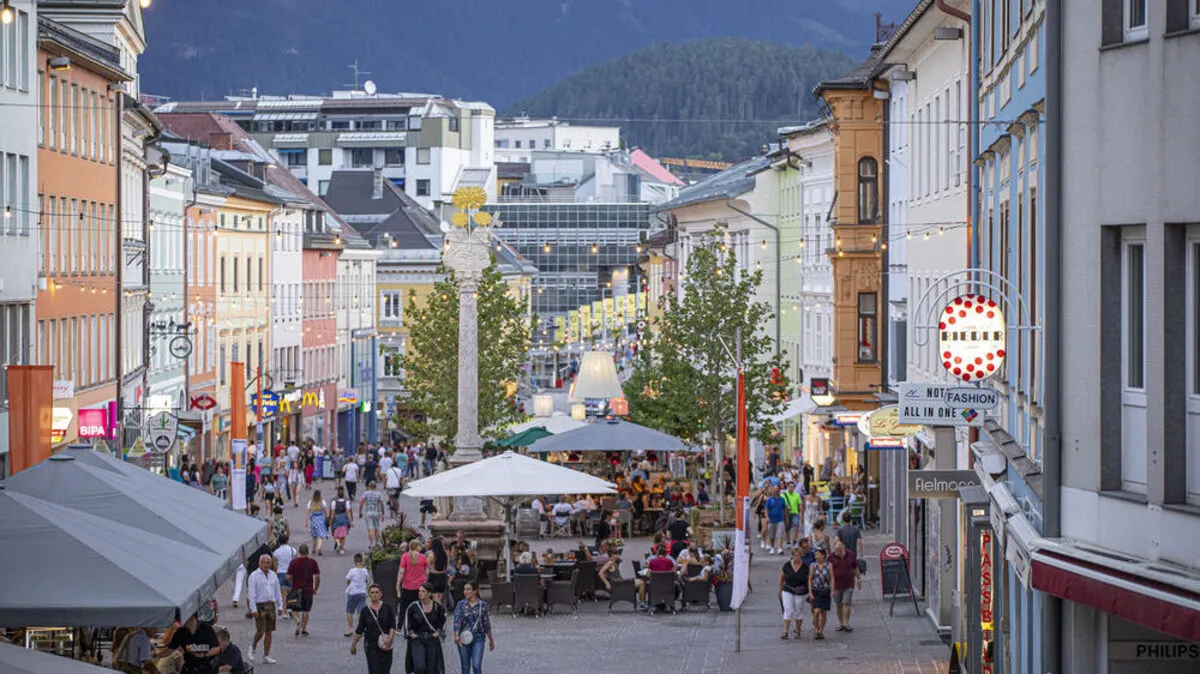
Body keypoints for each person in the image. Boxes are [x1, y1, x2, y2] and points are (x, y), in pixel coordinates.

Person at [351, 584, 397, 674]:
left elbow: (392, 625)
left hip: (386, 644)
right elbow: (359, 629)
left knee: (385, 671)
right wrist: (353, 645)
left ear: (380, 594)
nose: (375, 594)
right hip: (371, 645)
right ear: (369, 595)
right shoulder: (365, 610)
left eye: (377, 592)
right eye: (372, 593)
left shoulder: (388, 607)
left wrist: (390, 639)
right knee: (374, 670)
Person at [246, 553, 283, 664]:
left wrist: (280, 605)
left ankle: (266, 655)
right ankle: (253, 646)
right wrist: (253, 609)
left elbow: (277, 591)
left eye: (268, 563)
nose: (267, 565)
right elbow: (251, 593)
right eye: (264, 562)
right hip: (259, 605)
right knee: (261, 631)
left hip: (270, 605)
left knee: (269, 631)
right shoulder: (254, 576)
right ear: (260, 563)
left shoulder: (273, 575)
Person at [234, 504, 271, 613]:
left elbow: (245, 559)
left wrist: (247, 565)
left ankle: (251, 610)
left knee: (250, 590)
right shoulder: (264, 547)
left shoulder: (249, 548)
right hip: (261, 571)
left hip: (251, 569)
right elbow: (271, 558)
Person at [453, 581, 495, 674]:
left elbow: (486, 623)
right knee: (465, 667)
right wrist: (456, 636)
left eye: (468, 589)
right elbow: (457, 621)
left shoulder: (482, 605)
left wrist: (491, 639)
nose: (465, 592)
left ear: (475, 591)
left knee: (476, 665)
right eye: (464, 589)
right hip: (463, 638)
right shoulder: (461, 604)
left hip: (478, 638)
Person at [403, 583, 446, 674]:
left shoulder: (437, 607)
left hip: (432, 639)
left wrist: (438, 632)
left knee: (431, 669)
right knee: (419, 667)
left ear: (429, 593)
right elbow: (406, 622)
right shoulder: (413, 606)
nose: (420, 593)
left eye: (423, 591)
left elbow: (443, 622)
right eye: (419, 591)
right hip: (417, 639)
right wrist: (410, 633)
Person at [285, 543, 321, 638]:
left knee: (293, 608)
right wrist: (315, 588)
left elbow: (288, 577)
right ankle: (304, 629)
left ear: (299, 552)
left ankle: (297, 620)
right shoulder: (313, 562)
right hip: (308, 590)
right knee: (306, 610)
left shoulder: (293, 562)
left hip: (296, 590)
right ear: (308, 552)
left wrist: (293, 577)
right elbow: (317, 577)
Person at [829, 539, 862, 632]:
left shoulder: (851, 554)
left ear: (843, 548)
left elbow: (856, 567)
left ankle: (847, 623)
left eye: (839, 550)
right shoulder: (831, 557)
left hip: (849, 584)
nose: (838, 552)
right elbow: (828, 572)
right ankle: (841, 623)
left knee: (846, 603)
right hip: (836, 585)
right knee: (838, 604)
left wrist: (859, 580)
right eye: (836, 550)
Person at [779, 546, 810, 639]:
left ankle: (798, 629)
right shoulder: (787, 565)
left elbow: (808, 580)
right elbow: (782, 579)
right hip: (788, 589)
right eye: (795, 556)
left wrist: (809, 592)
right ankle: (786, 631)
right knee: (788, 609)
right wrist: (780, 591)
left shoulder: (805, 567)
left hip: (801, 591)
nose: (797, 558)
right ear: (792, 556)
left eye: (798, 556)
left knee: (799, 610)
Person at [808, 547, 834, 640]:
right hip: (816, 590)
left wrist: (832, 590)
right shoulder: (812, 565)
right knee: (816, 611)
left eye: (818, 554)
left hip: (825, 590)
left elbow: (832, 578)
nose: (816, 556)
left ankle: (821, 631)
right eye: (815, 555)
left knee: (823, 612)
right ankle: (816, 627)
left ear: (823, 555)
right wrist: (810, 592)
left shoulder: (829, 565)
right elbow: (810, 579)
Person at [398, 539, 431, 610]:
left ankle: (402, 621)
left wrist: (397, 585)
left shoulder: (405, 556)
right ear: (417, 547)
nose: (421, 548)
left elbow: (401, 572)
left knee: (404, 608)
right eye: (420, 546)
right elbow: (427, 572)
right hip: (420, 587)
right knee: (419, 608)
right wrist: (425, 581)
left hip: (407, 586)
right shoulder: (423, 557)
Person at [272, 534, 297, 622]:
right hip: (290, 573)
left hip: (280, 573)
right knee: (291, 593)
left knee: (283, 595)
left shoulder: (276, 552)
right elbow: (295, 562)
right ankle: (290, 608)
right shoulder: (292, 550)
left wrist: (274, 575)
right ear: (287, 541)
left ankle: (284, 612)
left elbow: (275, 565)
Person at [346, 553, 371, 637]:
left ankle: (350, 628)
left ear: (354, 561)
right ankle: (361, 628)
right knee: (360, 612)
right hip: (362, 593)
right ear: (362, 561)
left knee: (350, 611)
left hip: (353, 593)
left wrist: (350, 584)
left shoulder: (352, 571)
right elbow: (367, 580)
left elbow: (348, 580)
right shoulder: (365, 571)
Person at [329, 486, 354, 555]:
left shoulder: (334, 501)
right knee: (343, 535)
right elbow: (348, 512)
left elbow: (332, 513)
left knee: (335, 534)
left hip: (336, 518)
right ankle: (341, 549)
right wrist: (351, 521)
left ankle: (338, 543)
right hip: (344, 518)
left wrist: (330, 521)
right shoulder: (346, 501)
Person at [764, 486, 787, 554]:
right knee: (771, 535)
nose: (775, 491)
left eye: (777, 490)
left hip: (780, 520)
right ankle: (772, 547)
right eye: (774, 490)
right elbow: (766, 509)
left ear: (779, 491)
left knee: (780, 534)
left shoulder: (782, 499)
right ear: (772, 491)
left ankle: (779, 548)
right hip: (771, 520)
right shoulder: (769, 499)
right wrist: (767, 517)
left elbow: (785, 508)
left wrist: (786, 518)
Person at [427, 537, 450, 606]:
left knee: (435, 599)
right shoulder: (445, 555)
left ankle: (439, 614)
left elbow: (426, 567)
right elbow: (447, 567)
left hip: (433, 577)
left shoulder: (431, 555)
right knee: (439, 599)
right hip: (443, 577)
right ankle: (440, 613)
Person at [307, 490, 329, 556]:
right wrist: (327, 518)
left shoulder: (310, 502)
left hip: (313, 519)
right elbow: (325, 512)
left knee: (314, 535)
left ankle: (314, 548)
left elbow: (308, 512)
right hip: (320, 519)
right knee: (321, 535)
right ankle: (319, 548)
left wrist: (306, 521)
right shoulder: (322, 502)